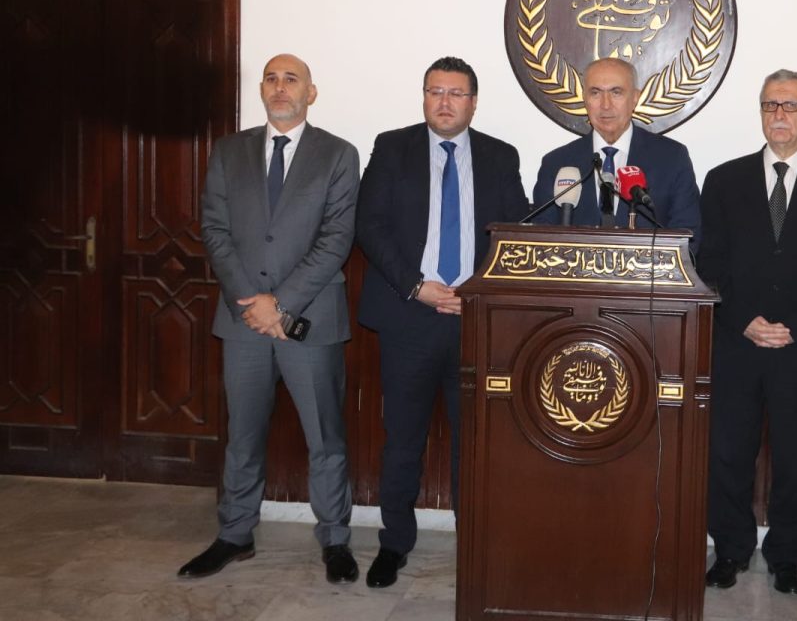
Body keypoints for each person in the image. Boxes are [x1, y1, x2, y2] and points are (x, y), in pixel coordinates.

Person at [180, 53, 361, 584]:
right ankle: (235, 533)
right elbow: (214, 230)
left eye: (292, 79)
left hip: (311, 319)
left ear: (311, 93)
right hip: (243, 321)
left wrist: (279, 304)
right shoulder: (228, 151)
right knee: (242, 435)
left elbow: (336, 239)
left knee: (325, 437)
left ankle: (335, 540)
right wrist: (250, 300)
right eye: (271, 79)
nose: (280, 88)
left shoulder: (338, 154)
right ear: (261, 89)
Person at [355, 55, 528, 588]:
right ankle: (393, 544)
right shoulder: (392, 147)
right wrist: (417, 286)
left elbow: (515, 233)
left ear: (473, 103)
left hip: (475, 321)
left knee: (474, 442)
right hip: (409, 315)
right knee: (402, 439)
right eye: (435, 91)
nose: (445, 102)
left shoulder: (501, 155)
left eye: (456, 93)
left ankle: (474, 542)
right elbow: (370, 225)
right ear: (424, 97)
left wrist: (478, 290)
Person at [698, 69, 797, 595]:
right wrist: (743, 319)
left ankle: (787, 556)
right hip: (737, 342)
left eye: (791, 105)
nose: (780, 115)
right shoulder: (723, 180)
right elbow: (709, 261)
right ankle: (730, 549)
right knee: (727, 454)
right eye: (770, 105)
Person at [530, 57, 701, 238]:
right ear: (585, 99)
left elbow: (688, 237)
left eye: (616, 92)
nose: (605, 105)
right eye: (595, 93)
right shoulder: (556, 163)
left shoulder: (671, 159)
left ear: (635, 98)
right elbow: (540, 238)